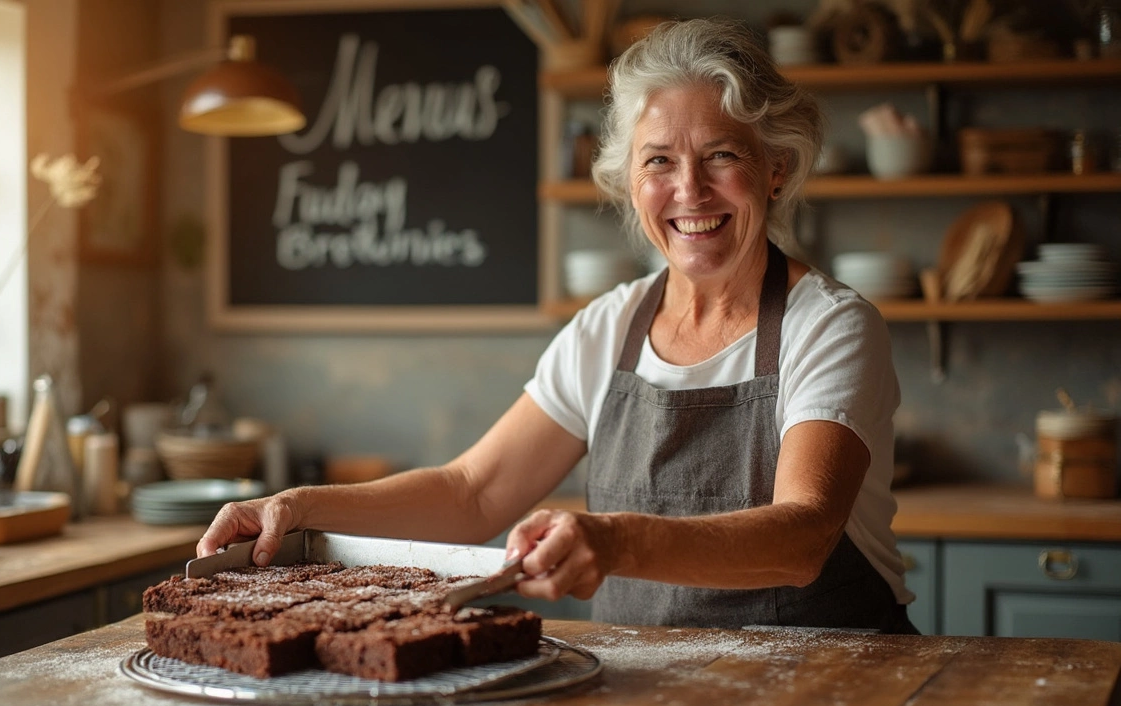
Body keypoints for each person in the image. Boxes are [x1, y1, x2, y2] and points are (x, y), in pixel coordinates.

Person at [198, 18, 917, 633]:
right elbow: (472, 493)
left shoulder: (829, 326)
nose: (688, 189)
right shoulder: (607, 329)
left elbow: (802, 536)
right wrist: (294, 508)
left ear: (776, 171)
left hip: (829, 687)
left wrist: (615, 540)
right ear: (631, 184)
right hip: (662, 697)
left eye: (722, 155)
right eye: (658, 161)